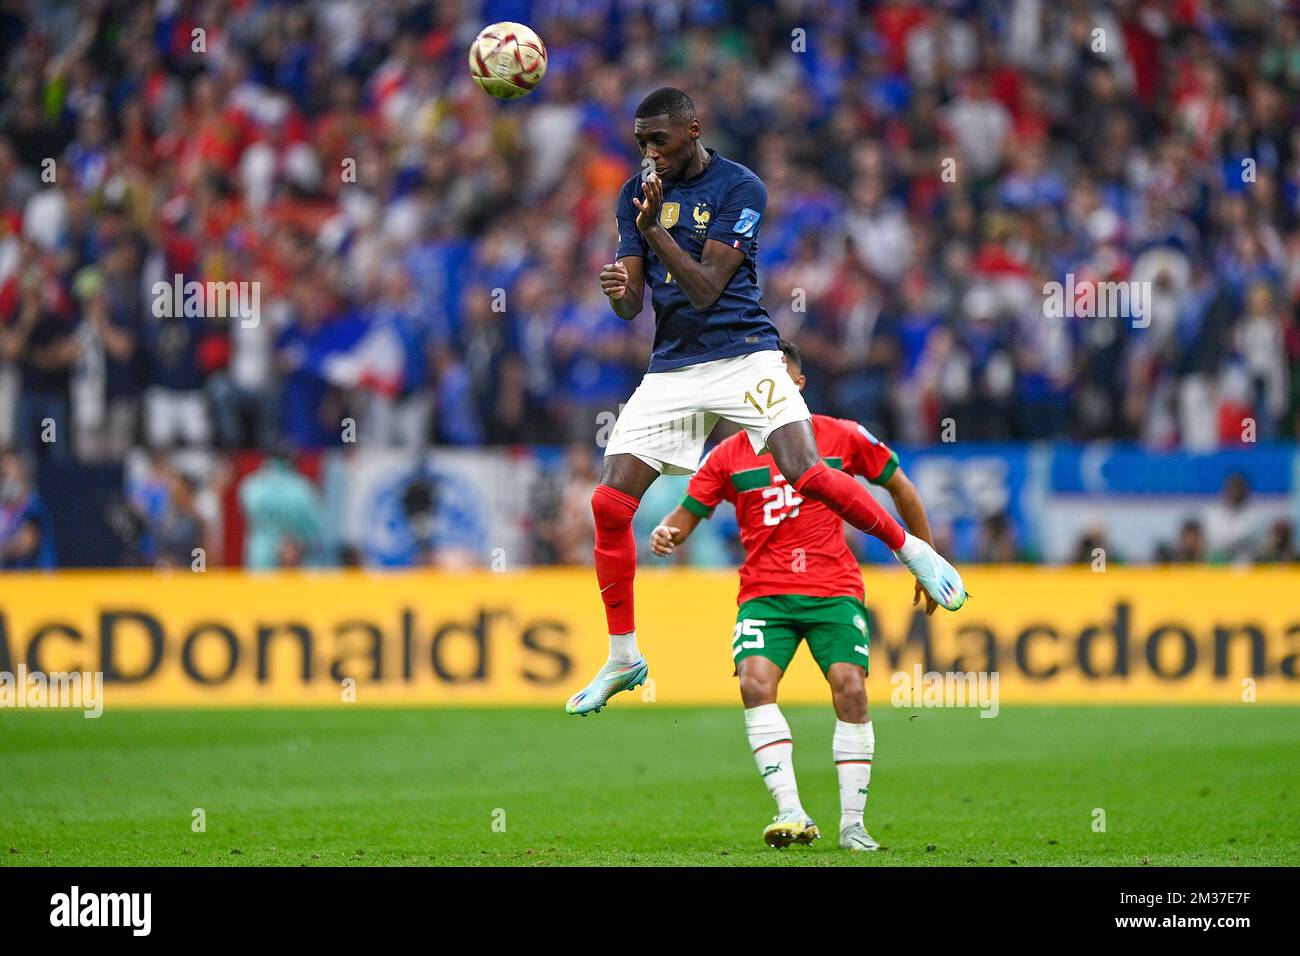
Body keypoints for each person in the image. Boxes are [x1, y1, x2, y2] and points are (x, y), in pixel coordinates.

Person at [567, 88, 967, 717]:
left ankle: (912, 551)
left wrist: (653, 231)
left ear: (693, 129)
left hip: (746, 353)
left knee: (809, 472)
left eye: (660, 141)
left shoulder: (739, 188)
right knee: (608, 503)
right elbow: (632, 302)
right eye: (640, 141)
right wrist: (618, 288)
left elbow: (703, 289)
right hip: (673, 366)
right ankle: (623, 657)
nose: (649, 153)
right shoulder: (635, 193)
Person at [647, 341, 941, 851]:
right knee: (754, 683)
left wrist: (925, 557)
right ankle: (791, 811)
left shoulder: (842, 437)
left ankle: (853, 826)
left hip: (834, 591)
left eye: (776, 376)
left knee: (850, 687)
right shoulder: (726, 456)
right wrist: (669, 532)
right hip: (765, 595)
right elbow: (689, 512)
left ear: (797, 384)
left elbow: (902, 486)